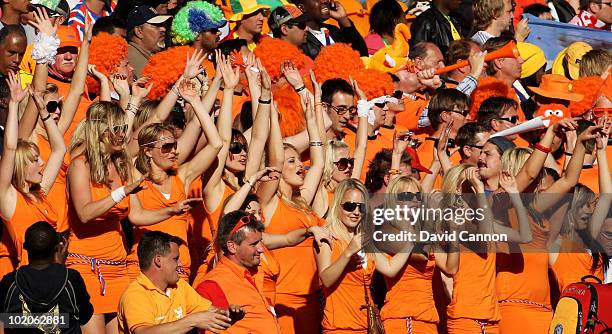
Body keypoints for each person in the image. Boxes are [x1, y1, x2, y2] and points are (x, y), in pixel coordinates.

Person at [315, 179, 413, 332]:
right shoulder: (327, 237)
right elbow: (325, 280)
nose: (355, 212)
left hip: (365, 326)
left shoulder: (364, 239)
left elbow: (389, 269)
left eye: (361, 207)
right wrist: (348, 252)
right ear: (337, 206)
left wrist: (410, 242)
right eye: (349, 206)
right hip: (339, 326)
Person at [117, 231, 237, 334]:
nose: (180, 264)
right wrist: (192, 320)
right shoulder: (135, 295)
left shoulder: (180, 286)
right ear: (158, 261)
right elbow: (143, 332)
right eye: (175, 259)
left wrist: (227, 314)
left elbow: (209, 312)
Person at [196, 211, 282, 333]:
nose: (261, 249)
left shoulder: (255, 273)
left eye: (260, 241)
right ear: (232, 246)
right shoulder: (212, 285)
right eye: (254, 244)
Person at [0, 221, 94, 333]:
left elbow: (5, 320)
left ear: (25, 247)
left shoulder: (10, 282)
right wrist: (60, 268)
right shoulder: (71, 279)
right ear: (56, 248)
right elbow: (84, 316)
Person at [293, 0, 367, 58]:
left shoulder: (333, 30)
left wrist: (343, 19)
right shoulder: (299, 38)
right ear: (302, 8)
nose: (325, 1)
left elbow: (363, 55)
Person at [126, 5, 171, 78]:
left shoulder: (148, 55)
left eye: (162, 25)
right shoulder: (131, 59)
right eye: (156, 25)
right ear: (139, 32)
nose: (163, 29)